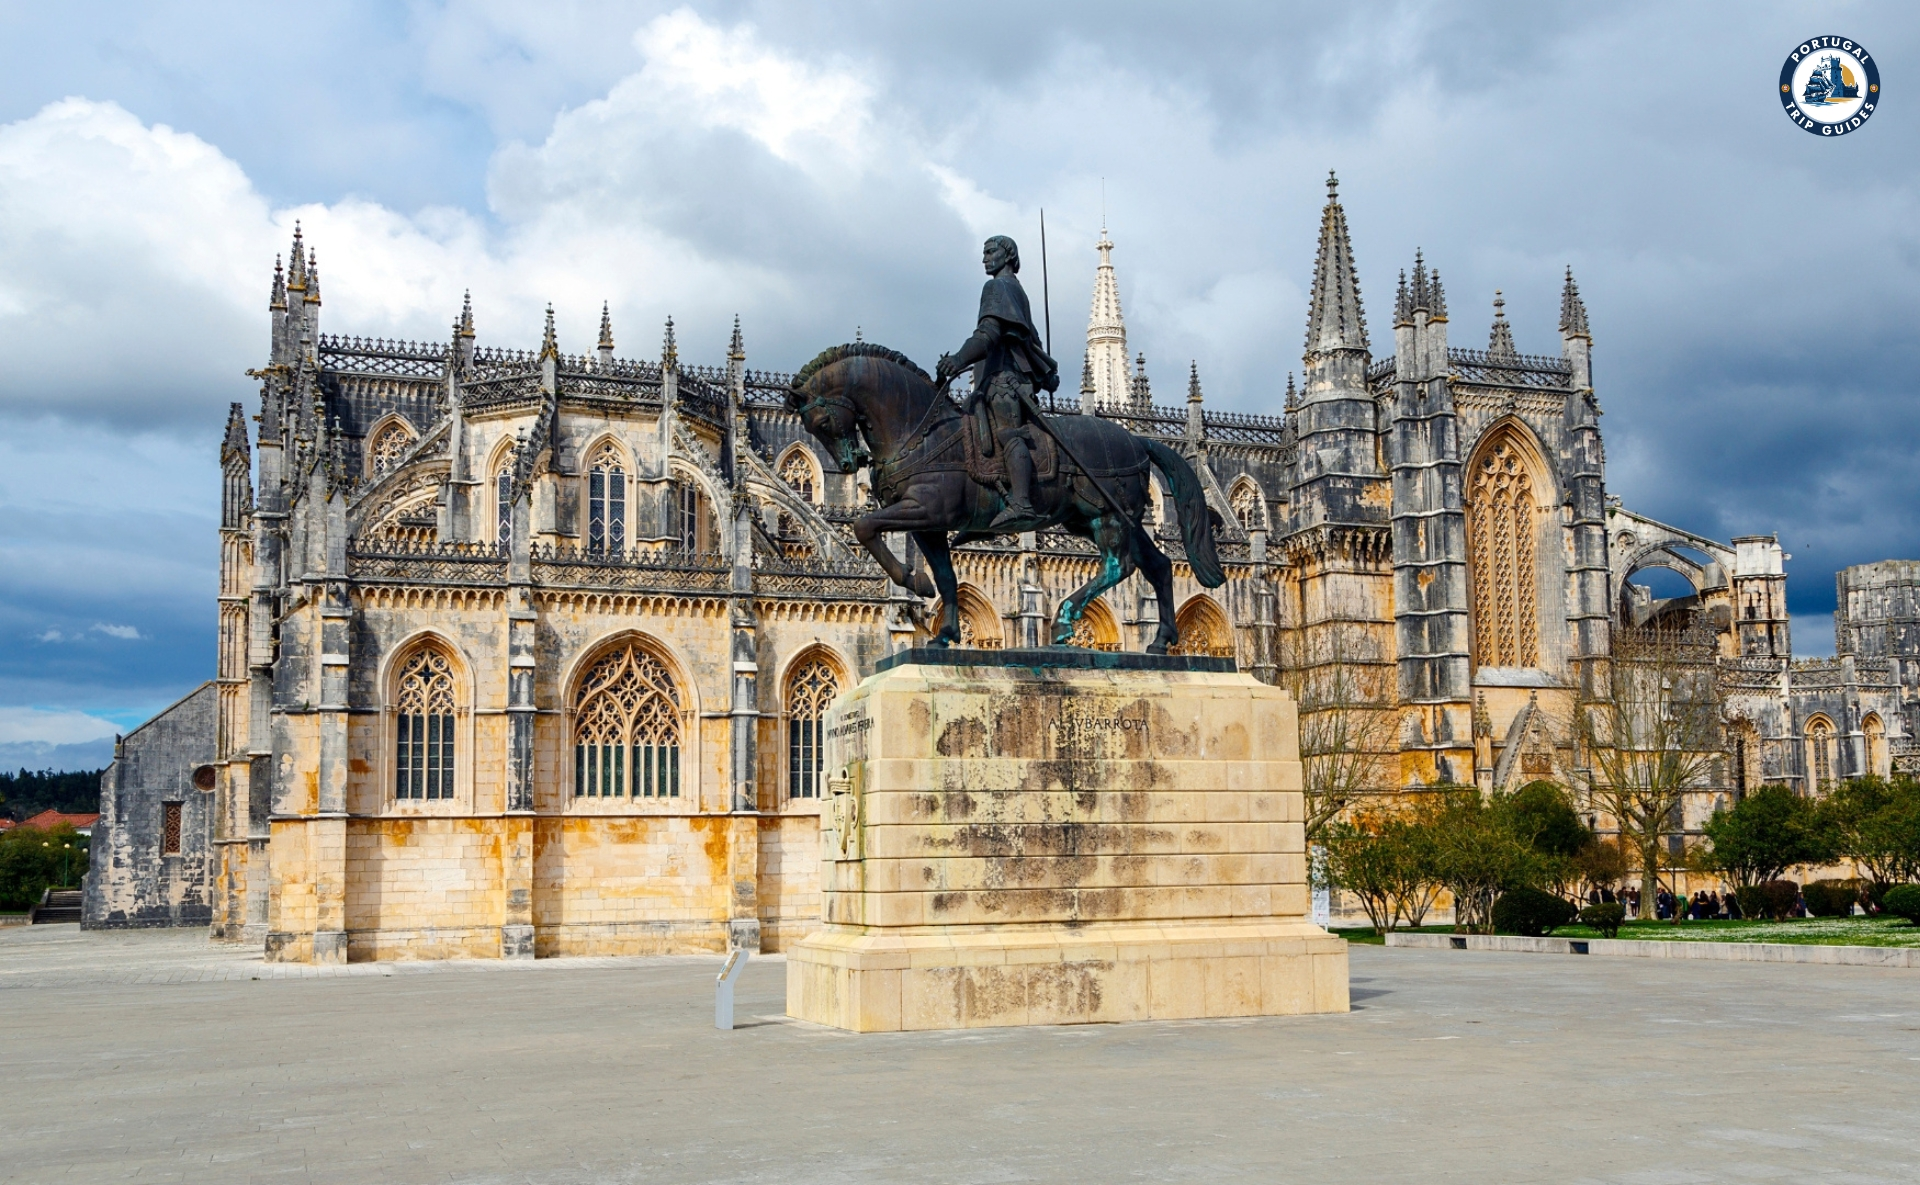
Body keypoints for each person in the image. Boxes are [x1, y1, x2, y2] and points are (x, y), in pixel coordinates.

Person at [935, 235, 1061, 532]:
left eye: (990, 252)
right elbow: (1032, 340)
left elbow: (988, 335)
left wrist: (958, 359)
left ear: (1007, 255)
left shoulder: (997, 287)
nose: (984, 258)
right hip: (1001, 377)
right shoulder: (1016, 291)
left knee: (1008, 433)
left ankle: (1021, 503)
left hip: (1005, 379)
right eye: (984, 253)